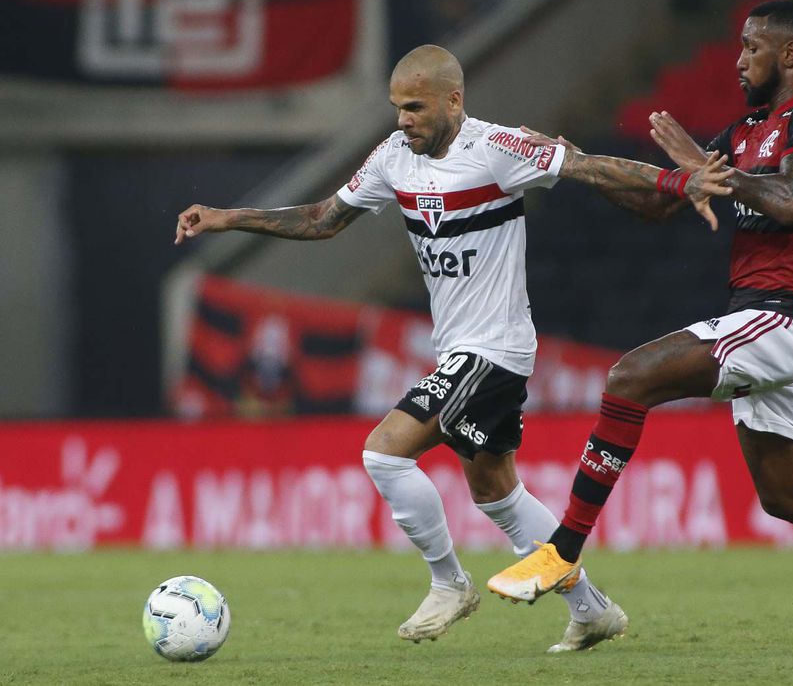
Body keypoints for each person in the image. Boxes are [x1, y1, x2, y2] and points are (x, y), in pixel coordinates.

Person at [174, 45, 730, 652]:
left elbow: (590, 168)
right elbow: (321, 218)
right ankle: (592, 610)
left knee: (385, 453)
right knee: (498, 494)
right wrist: (228, 217)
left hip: (494, 348)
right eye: (397, 107)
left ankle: (449, 583)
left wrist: (680, 181)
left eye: (415, 107)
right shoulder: (393, 157)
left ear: (454, 100)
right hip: (458, 350)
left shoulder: (497, 149)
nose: (403, 119)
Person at [487, 0, 793, 649]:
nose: (739, 59)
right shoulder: (745, 131)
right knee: (788, 496)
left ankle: (561, 551)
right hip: (761, 317)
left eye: (753, 46)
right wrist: (577, 163)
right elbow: (662, 203)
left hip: (786, 315)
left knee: (630, 378)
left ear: (789, 53)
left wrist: (713, 172)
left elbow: (792, 199)